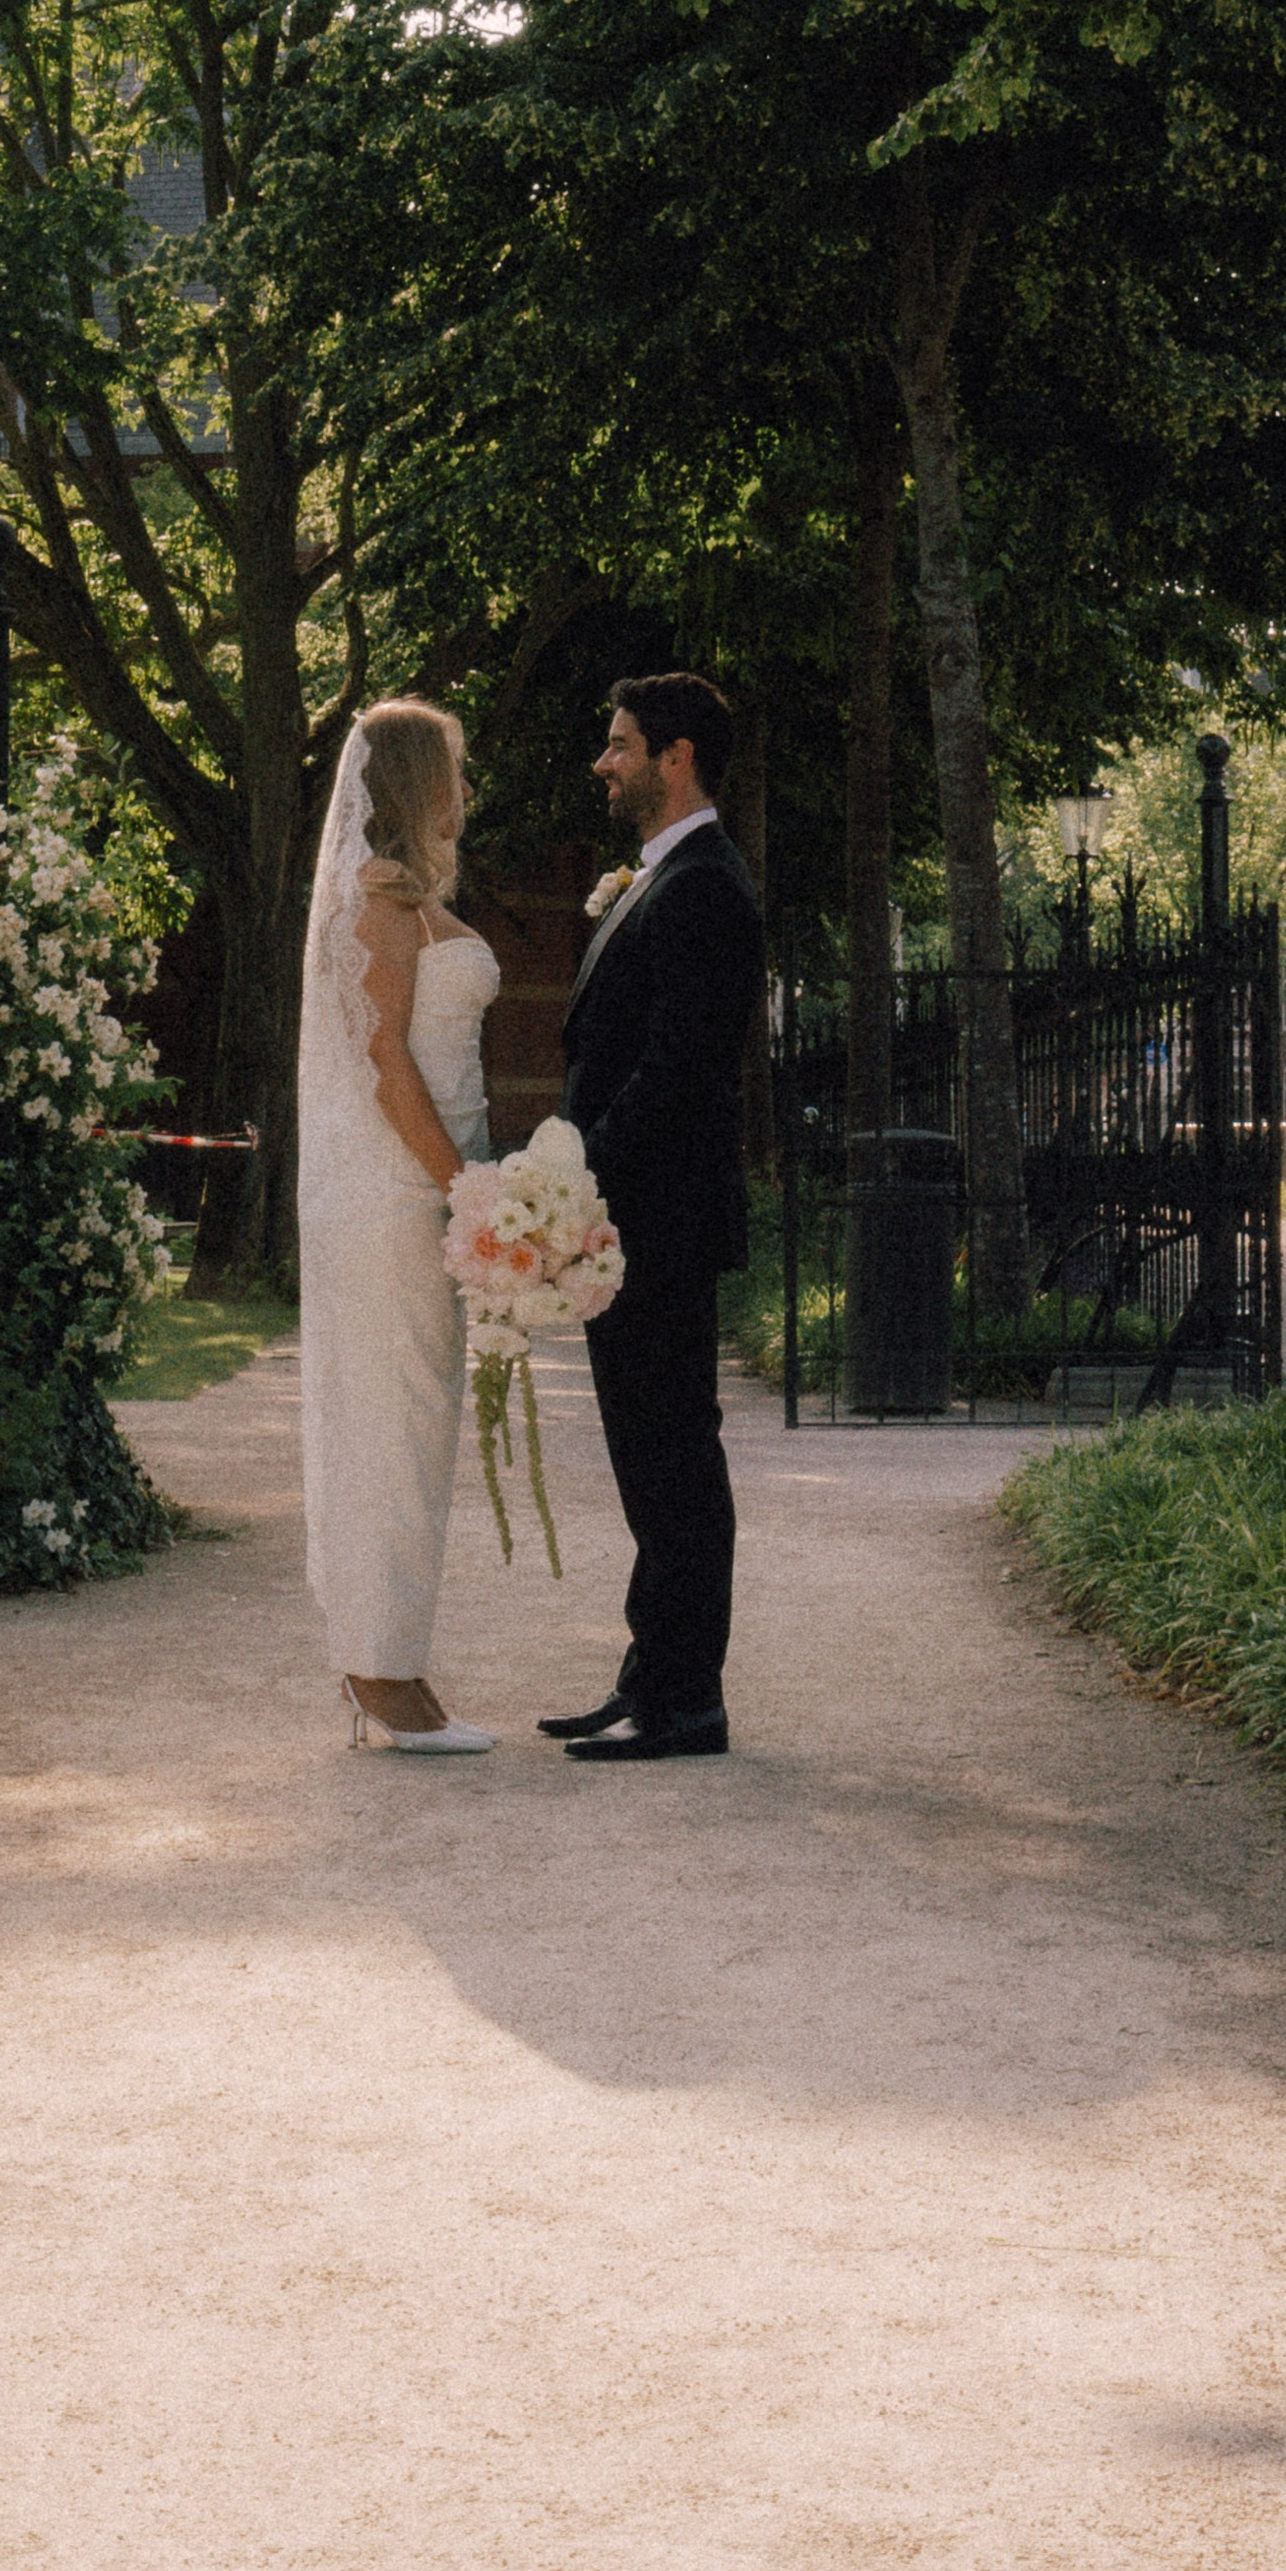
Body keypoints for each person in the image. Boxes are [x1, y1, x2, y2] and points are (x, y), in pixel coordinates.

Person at [541, 673, 764, 1762]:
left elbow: (677, 1068)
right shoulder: (661, 876)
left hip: (657, 1222)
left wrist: (575, 1175)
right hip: (631, 1218)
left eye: (620, 744)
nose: (603, 762)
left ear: (675, 757)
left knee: (672, 1458)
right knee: (648, 1457)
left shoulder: (705, 885)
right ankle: (651, 1674)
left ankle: (686, 1702)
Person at [298, 698, 501, 1754]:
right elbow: (384, 1063)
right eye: (454, 769)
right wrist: (465, 1187)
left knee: (417, 1432)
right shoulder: (377, 899)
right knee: (391, 1428)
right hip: (393, 1201)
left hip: (424, 1198)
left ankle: (391, 1661)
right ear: (418, 779)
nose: (465, 789)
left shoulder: (411, 900)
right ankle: (379, 1675)